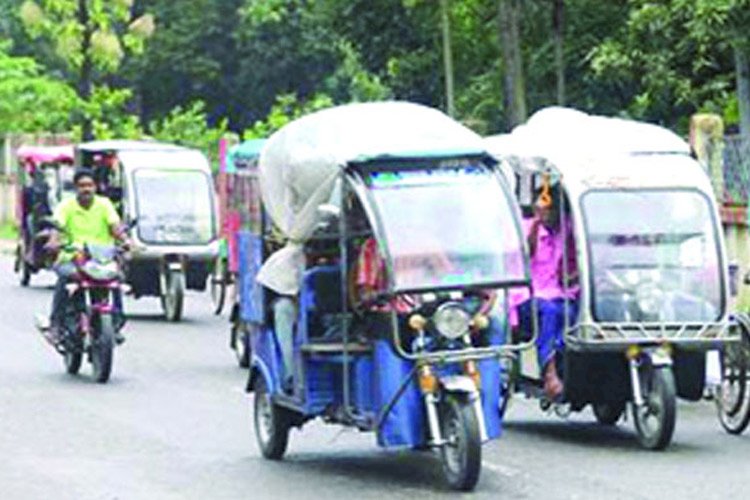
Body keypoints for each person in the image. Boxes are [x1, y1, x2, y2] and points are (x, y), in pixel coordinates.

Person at [45, 168, 131, 346]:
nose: (87, 189)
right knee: (64, 278)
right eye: (82, 185)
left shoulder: (105, 204)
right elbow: (57, 228)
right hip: (72, 258)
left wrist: (125, 239)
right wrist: (54, 241)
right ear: (76, 188)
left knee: (116, 280)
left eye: (90, 185)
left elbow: (115, 226)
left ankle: (116, 323)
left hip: (101, 259)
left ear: (96, 187)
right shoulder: (66, 206)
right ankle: (56, 324)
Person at [517, 183, 578, 399]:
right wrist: (535, 226)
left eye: (550, 209)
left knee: (576, 314)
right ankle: (549, 373)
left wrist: (573, 276)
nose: (546, 214)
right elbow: (525, 252)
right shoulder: (527, 227)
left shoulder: (570, 228)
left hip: (564, 294)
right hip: (530, 297)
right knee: (551, 313)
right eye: (541, 209)